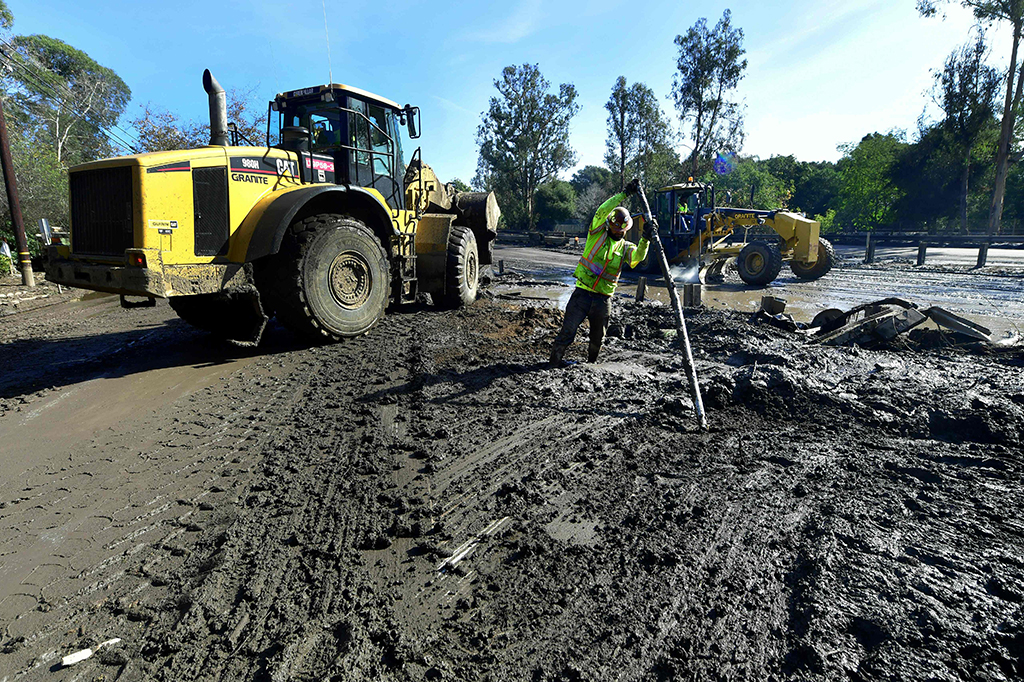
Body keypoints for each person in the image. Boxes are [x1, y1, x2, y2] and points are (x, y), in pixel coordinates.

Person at [549, 179, 655, 366]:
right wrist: (624, 194)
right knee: (568, 331)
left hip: (603, 299)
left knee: (598, 338)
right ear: (609, 225)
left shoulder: (625, 248)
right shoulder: (596, 232)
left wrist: (646, 238)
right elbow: (602, 210)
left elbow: (638, 257)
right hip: (582, 293)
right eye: (614, 228)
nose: (617, 232)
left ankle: (591, 365)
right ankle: (554, 362)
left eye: (620, 230)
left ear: (625, 230)